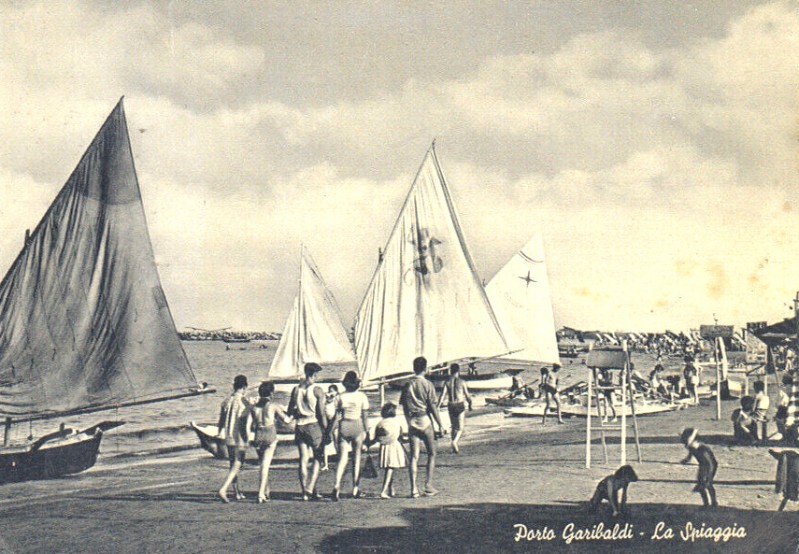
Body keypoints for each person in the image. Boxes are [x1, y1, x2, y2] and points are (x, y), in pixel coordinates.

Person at [399, 356, 446, 498]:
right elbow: (432, 407)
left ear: (414, 368)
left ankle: (413, 489)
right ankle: (428, 485)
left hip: (412, 421)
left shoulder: (407, 385)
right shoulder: (427, 384)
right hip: (424, 419)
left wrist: (408, 421)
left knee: (414, 456)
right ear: (425, 369)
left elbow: (405, 406)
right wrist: (440, 424)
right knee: (432, 453)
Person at [287, 363, 329, 501]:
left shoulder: (296, 389)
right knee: (318, 457)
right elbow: (321, 413)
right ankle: (310, 487)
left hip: (299, 425)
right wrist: (326, 430)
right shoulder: (317, 390)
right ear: (315, 374)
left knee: (303, 459)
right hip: (313, 424)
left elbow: (290, 410)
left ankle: (305, 492)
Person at [330, 371, 370, 500]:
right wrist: (367, 432)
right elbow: (364, 417)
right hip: (357, 426)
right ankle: (355, 488)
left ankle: (336, 485)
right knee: (356, 458)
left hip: (344, 425)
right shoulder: (362, 396)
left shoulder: (340, 396)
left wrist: (330, 430)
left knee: (342, 459)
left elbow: (336, 416)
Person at [250, 381, 292, 503]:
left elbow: (252, 424)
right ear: (271, 393)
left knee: (262, 464)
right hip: (269, 434)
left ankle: (266, 491)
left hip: (258, 434)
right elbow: (287, 420)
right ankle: (261, 494)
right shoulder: (273, 405)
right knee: (265, 466)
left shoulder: (254, 408)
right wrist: (293, 415)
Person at [217, 374, 251, 503]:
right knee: (238, 463)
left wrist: (220, 432)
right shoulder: (244, 403)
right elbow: (243, 423)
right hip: (238, 437)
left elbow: (221, 420)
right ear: (244, 387)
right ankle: (224, 489)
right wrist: (246, 437)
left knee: (233, 464)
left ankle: (237, 492)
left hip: (228, 436)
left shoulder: (226, 401)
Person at [368, 402, 407, 499]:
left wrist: (368, 444)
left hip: (384, 447)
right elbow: (401, 437)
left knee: (389, 469)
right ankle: (384, 490)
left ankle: (391, 489)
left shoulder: (380, 423)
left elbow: (377, 438)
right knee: (390, 468)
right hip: (394, 446)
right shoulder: (397, 422)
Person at [437, 363, 473, 453]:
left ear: (450, 371)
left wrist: (438, 406)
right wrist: (470, 404)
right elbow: (467, 395)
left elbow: (442, 396)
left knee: (454, 427)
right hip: (460, 404)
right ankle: (454, 442)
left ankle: (453, 447)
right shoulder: (462, 382)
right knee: (460, 428)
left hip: (451, 405)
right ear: (458, 371)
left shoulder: (447, 382)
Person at [680, 427, 718, 507]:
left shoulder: (704, 449)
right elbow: (690, 454)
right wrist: (686, 460)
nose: (685, 445)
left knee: (707, 484)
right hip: (702, 466)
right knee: (701, 485)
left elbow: (711, 464)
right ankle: (706, 504)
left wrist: (709, 477)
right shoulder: (692, 447)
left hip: (710, 466)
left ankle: (714, 502)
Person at [321, 385, 340, 471]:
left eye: (332, 391)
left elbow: (338, 412)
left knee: (336, 441)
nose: (330, 392)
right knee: (326, 443)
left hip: (335, 422)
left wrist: (334, 396)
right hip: (327, 422)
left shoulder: (337, 399)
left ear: (336, 392)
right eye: (329, 390)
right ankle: (325, 464)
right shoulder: (326, 400)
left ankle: (339, 462)